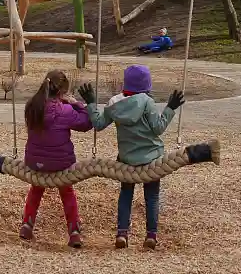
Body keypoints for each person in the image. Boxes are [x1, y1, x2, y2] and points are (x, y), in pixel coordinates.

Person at [78, 65, 185, 250]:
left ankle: (122, 234)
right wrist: (170, 108)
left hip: (127, 160)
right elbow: (158, 128)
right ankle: (151, 236)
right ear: (146, 85)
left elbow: (98, 124)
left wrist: (91, 103)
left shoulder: (113, 103)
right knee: (151, 197)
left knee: (126, 195)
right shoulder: (147, 102)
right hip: (152, 160)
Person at [21, 70, 93, 248]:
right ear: (61, 92)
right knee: (67, 191)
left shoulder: (32, 106)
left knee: (36, 188)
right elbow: (87, 123)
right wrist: (76, 104)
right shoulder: (65, 110)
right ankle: (74, 231)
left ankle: (26, 225)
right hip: (60, 164)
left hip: (35, 162)